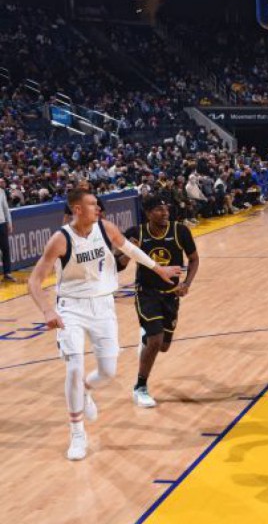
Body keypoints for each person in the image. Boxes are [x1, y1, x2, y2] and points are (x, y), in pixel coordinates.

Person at [27, 189, 181, 460]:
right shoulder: (60, 239)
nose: (98, 208)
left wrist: (159, 268)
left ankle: (86, 389)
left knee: (108, 372)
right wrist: (47, 309)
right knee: (74, 367)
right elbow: (34, 281)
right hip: (71, 308)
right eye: (92, 204)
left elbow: (130, 249)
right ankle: (77, 433)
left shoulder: (105, 227)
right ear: (77, 209)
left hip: (103, 307)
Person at [122, 195, 200, 408]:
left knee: (163, 346)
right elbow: (119, 266)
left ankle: (146, 338)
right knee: (156, 339)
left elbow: (194, 259)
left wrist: (187, 283)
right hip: (146, 292)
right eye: (159, 209)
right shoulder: (136, 233)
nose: (165, 213)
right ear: (148, 213)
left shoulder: (180, 231)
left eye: (166, 208)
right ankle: (140, 387)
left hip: (171, 294)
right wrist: (129, 250)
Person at [0, 181, 13, 281]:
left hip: (2, 223)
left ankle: (7, 273)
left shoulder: (1, 192)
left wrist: (9, 223)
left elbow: (6, 208)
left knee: (5, 249)